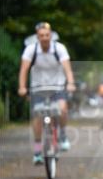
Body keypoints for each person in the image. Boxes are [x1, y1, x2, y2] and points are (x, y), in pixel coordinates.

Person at [17, 22, 75, 164]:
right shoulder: (31, 49)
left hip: (57, 86)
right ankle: (37, 151)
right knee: (37, 116)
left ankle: (62, 135)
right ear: (37, 37)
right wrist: (22, 87)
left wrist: (71, 83)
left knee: (62, 108)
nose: (44, 38)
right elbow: (24, 69)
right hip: (38, 88)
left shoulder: (59, 48)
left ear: (51, 35)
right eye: (41, 35)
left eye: (47, 35)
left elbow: (67, 68)